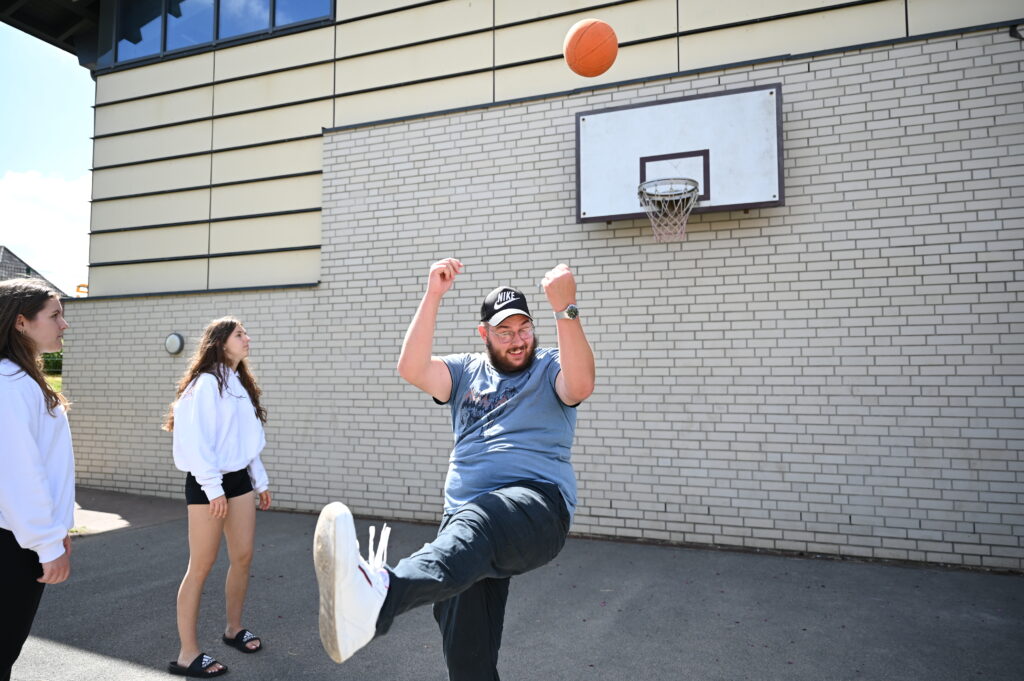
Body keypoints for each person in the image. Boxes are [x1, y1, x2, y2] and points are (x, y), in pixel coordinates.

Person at [314, 258, 595, 680]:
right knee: (468, 662)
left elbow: (581, 385)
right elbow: (411, 368)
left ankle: (376, 595)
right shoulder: (466, 371)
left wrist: (565, 309)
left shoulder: (550, 365)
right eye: (505, 332)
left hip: (535, 509)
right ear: (484, 334)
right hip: (462, 527)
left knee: (479, 520)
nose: (518, 341)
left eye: (524, 329)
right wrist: (433, 295)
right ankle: (370, 607)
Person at [163, 317, 272, 678]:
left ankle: (233, 629)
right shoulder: (205, 383)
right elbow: (194, 440)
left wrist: (260, 481)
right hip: (208, 483)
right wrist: (213, 488)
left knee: (242, 556)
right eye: (239, 334)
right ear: (220, 342)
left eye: (245, 333)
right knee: (201, 565)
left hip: (239, 481)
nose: (247, 338)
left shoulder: (240, 383)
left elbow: (246, 440)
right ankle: (187, 654)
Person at [0, 278, 73, 681]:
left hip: (20, 538)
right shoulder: (9, 382)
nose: (64, 325)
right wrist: (47, 542)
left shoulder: (19, 378)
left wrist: (54, 530)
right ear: (21, 323)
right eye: (55, 315)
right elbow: (16, 472)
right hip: (12, 543)